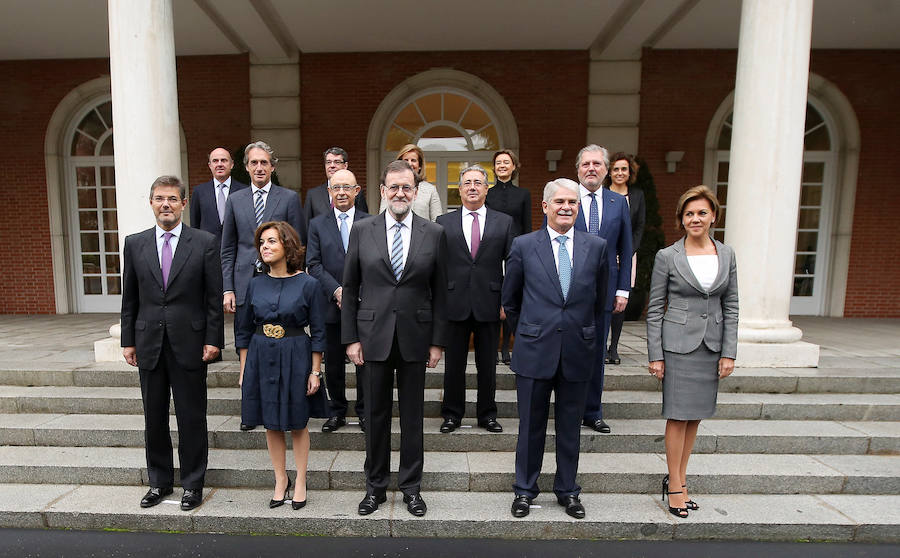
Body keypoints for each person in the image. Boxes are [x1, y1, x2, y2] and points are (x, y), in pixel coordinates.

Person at [342, 160, 448, 518]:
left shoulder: (433, 233)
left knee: (413, 417)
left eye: (407, 187)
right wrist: (350, 339)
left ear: (416, 192)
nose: (400, 193)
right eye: (393, 187)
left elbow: (440, 292)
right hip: (372, 337)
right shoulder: (362, 229)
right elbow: (351, 286)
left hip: (416, 338)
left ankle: (411, 488)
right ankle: (375, 488)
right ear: (382, 191)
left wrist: (437, 341)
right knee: (374, 415)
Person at [502, 178, 608, 520]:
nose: (566, 207)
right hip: (534, 351)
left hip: (577, 350)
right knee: (530, 427)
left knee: (570, 427)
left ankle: (567, 491)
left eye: (573, 203)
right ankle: (524, 490)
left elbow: (600, 299)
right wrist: (530, 332)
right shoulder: (523, 245)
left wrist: (584, 333)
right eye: (559, 201)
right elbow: (510, 300)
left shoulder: (597, 246)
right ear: (545, 207)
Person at [120, 175, 224, 512]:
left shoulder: (205, 242)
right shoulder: (135, 244)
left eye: (172, 199)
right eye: (160, 198)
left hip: (191, 343)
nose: (166, 204)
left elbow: (212, 298)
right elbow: (130, 297)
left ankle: (193, 484)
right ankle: (159, 482)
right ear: (151, 202)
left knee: (192, 418)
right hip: (149, 341)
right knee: (154, 418)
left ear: (182, 204)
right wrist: (127, 340)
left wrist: (213, 340)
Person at [646, 185, 738, 518]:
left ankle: (682, 482)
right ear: (681, 219)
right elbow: (655, 307)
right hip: (677, 346)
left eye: (701, 212)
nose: (695, 219)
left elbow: (732, 304)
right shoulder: (667, 256)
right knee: (677, 414)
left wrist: (729, 352)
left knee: (695, 415)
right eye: (688, 214)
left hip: (711, 346)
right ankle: (673, 485)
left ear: (713, 215)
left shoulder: (726, 254)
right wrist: (655, 354)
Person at [236, 221, 328, 509]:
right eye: (262, 242)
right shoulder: (254, 283)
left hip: (296, 354)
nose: (265, 246)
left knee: (297, 423)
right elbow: (243, 329)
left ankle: (300, 479)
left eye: (272, 241)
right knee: (271, 424)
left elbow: (319, 331)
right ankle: (280, 479)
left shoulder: (309, 284)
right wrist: (243, 370)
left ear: (286, 246)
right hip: (261, 355)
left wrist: (315, 371)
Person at [221, 140, 305, 430]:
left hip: (280, 284)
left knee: (276, 346)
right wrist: (228, 288)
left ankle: (279, 408)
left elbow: (296, 244)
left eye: (264, 162)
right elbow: (228, 248)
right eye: (254, 163)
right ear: (246, 168)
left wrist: (297, 281)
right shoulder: (235, 200)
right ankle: (249, 412)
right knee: (245, 346)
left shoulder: (289, 198)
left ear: (272, 166)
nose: (259, 167)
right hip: (245, 284)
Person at [436, 165, 513, 434]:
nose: (472, 187)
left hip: (490, 302)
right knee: (453, 364)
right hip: (454, 302)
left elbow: (511, 265)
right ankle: (452, 414)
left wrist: (507, 300)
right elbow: (438, 266)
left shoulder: (503, 222)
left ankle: (487, 414)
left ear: (486, 188)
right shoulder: (443, 222)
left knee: (487, 364)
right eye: (467, 182)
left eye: (478, 182)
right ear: (459, 189)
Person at [574, 144, 632, 434]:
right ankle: (570, 409)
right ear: (578, 170)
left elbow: (626, 246)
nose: (591, 169)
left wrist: (623, 290)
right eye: (586, 164)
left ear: (606, 170)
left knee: (597, 352)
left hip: (606, 290)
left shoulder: (617, 203)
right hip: (569, 289)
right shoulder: (567, 199)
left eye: (597, 164)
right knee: (571, 350)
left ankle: (593, 411)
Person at [306, 169, 370, 433]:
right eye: (336, 188)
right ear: (329, 192)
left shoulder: (371, 222)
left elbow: (376, 263)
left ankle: (366, 412)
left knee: (364, 361)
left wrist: (354, 292)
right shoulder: (317, 224)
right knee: (332, 361)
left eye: (347, 187)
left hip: (364, 303)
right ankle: (338, 411)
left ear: (357, 191)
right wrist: (337, 290)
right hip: (330, 303)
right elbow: (313, 263)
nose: (341, 192)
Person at [485, 149, 531, 365]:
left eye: (507, 162)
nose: (502, 165)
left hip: (516, 252)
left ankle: (506, 348)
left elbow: (528, 226)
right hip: (492, 252)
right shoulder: (488, 194)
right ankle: (493, 347)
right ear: (494, 168)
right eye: (499, 163)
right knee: (493, 300)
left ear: (514, 167)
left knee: (511, 300)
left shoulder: (523, 195)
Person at [603, 152, 645, 365]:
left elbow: (638, 228)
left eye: (624, 169)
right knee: (603, 297)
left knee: (620, 300)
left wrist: (627, 253)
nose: (620, 173)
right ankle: (601, 346)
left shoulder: (637, 196)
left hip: (628, 255)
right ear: (609, 172)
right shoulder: (602, 194)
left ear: (630, 173)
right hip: (605, 254)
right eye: (616, 169)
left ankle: (614, 347)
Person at [189, 147, 249, 245]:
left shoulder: (245, 191)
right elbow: (195, 225)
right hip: (208, 250)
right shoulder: (199, 192)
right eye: (215, 161)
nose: (219, 164)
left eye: (224, 160)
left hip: (237, 250)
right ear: (210, 165)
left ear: (232, 164)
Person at [304, 147, 368, 223]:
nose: (332, 166)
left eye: (337, 162)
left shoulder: (355, 192)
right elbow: (306, 227)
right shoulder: (313, 195)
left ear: (345, 166)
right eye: (328, 162)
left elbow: (364, 222)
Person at [379, 144, 443, 221]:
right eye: (406, 160)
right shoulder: (390, 187)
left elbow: (437, 220)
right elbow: (382, 216)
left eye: (413, 160)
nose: (409, 163)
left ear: (420, 165)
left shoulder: (430, 190)